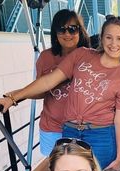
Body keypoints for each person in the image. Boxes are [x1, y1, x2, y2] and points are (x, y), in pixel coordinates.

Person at [0, 15, 120, 170]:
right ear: (102, 39)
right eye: (109, 37)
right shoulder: (82, 55)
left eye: (119, 39)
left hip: (101, 135)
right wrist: (13, 97)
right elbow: (49, 81)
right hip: (70, 130)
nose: (113, 43)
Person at [36, 9, 90, 156]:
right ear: (55, 32)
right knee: (55, 169)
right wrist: (15, 97)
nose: (67, 34)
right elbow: (40, 90)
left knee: (83, 168)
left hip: (81, 128)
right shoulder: (46, 57)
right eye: (62, 29)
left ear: (80, 31)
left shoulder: (91, 56)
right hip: (52, 127)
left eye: (73, 29)